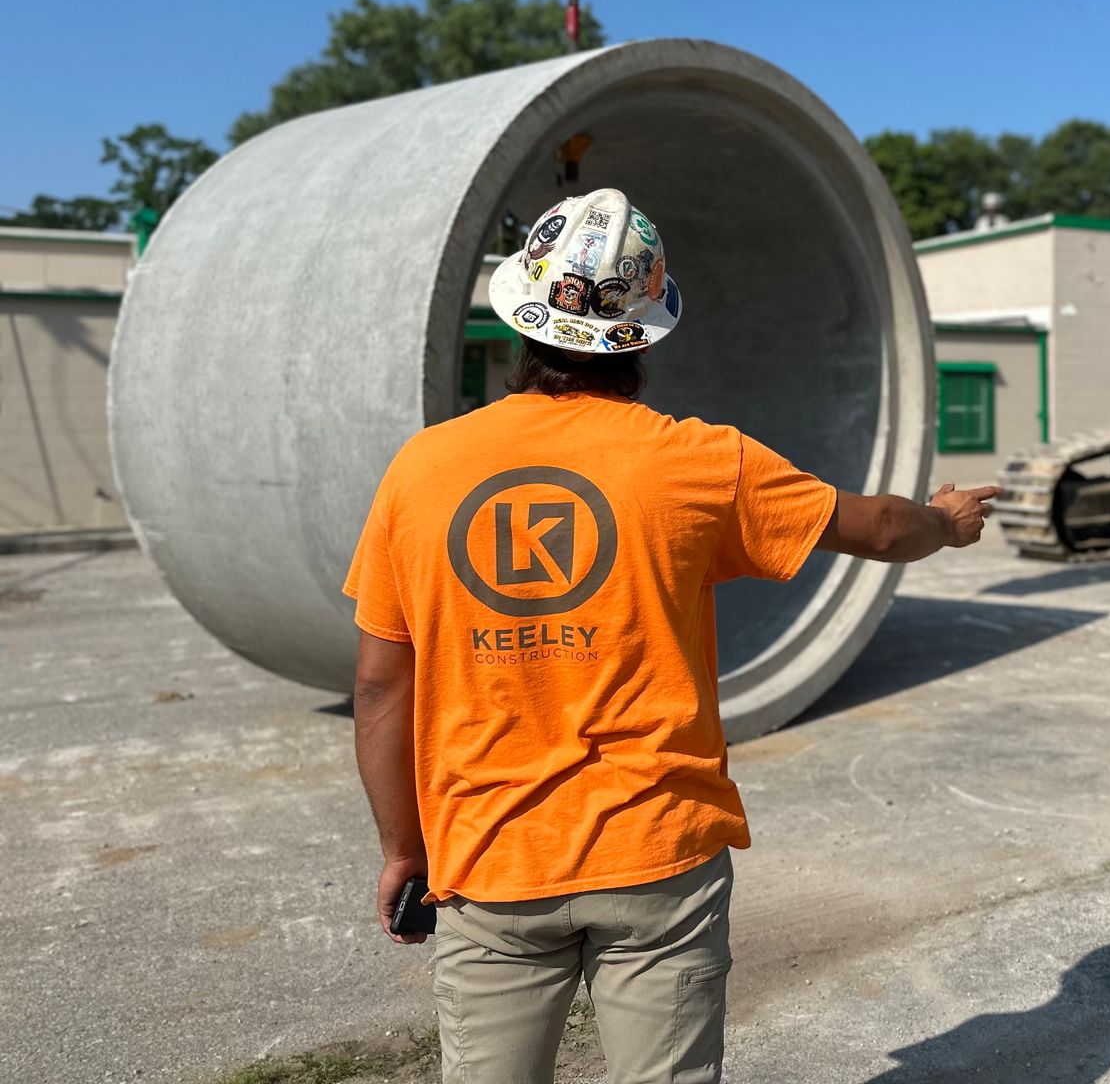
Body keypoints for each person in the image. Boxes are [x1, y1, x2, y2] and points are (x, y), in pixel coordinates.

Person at [348, 187, 1000, 1084]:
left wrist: (402, 849)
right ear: (648, 332)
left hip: (489, 857)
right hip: (656, 856)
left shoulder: (422, 470)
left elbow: (383, 684)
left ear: (518, 323)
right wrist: (946, 520)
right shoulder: (701, 462)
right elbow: (879, 528)